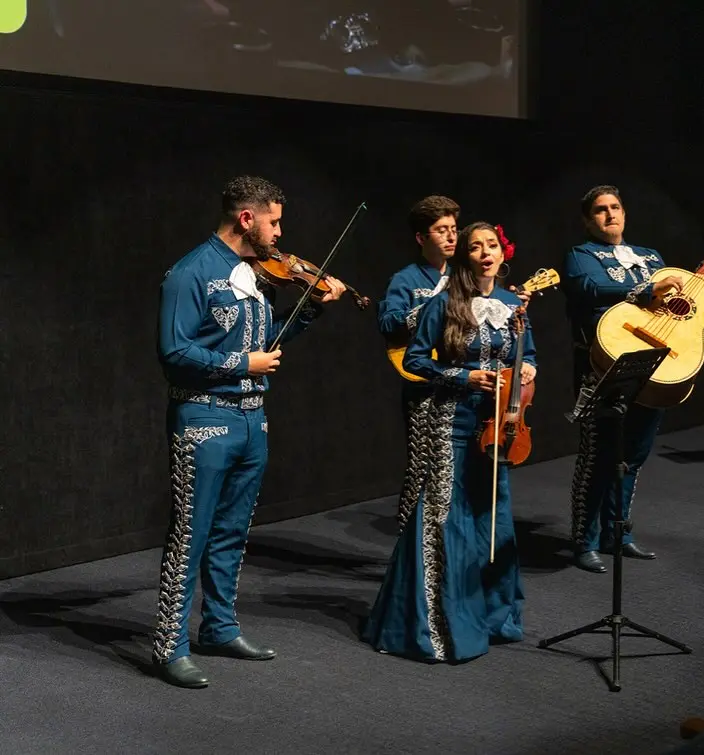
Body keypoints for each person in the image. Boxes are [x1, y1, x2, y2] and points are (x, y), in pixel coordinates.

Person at [152, 175, 346, 688]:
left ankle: (218, 627)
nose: (280, 234)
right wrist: (244, 362)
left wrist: (312, 309)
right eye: (274, 221)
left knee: (232, 533)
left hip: (252, 420)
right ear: (247, 218)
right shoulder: (191, 273)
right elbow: (174, 354)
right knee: (190, 533)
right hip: (204, 418)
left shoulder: (257, 274)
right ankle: (168, 642)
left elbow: (271, 342)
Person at [362, 221, 536, 663]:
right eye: (475, 247)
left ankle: (493, 616)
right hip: (452, 423)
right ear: (464, 258)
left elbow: (527, 354)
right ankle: (435, 627)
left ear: (502, 252)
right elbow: (416, 360)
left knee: (490, 514)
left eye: (491, 245)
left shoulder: (514, 303)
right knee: (444, 513)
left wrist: (529, 368)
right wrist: (463, 375)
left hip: (497, 425)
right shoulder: (443, 304)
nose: (484, 253)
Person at [562, 184, 704, 573]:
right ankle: (583, 541)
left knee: (633, 456)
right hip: (605, 363)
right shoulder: (581, 255)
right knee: (598, 456)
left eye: (616, 207)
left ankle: (616, 534)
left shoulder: (650, 256)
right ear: (589, 220)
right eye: (601, 210)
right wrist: (646, 287)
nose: (610, 214)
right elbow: (589, 289)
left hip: (655, 362)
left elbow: (675, 305)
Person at [377, 195, 460, 531]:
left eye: (454, 229)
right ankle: (407, 534)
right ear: (422, 238)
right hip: (423, 379)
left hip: (460, 378)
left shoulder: (464, 276)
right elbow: (388, 324)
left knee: (453, 461)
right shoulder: (406, 279)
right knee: (422, 463)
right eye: (442, 230)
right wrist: (429, 310)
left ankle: (446, 533)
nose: (452, 237)